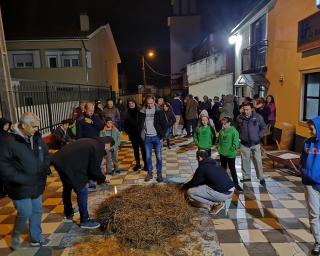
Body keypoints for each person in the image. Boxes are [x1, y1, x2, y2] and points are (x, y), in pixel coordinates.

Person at [0, 113, 51, 250]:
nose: (37, 129)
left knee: (37, 211)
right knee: (25, 212)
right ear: (23, 126)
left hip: (37, 182)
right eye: (34, 126)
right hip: (19, 186)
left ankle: (36, 237)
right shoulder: (8, 141)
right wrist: (21, 179)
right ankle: (15, 237)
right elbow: (4, 166)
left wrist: (44, 169)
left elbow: (45, 154)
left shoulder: (37, 137)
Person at [51, 136, 115, 229]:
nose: (108, 150)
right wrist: (103, 178)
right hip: (69, 165)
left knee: (67, 186)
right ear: (108, 144)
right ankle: (85, 220)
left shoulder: (92, 141)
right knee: (83, 190)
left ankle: (68, 212)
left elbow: (88, 164)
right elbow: (94, 169)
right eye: (110, 148)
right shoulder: (98, 147)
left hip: (59, 160)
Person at [182, 150, 235, 215]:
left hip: (223, 194)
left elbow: (194, 182)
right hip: (231, 191)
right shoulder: (215, 163)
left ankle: (215, 204)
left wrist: (183, 187)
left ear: (199, 157)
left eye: (196, 158)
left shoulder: (202, 167)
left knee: (190, 192)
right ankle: (215, 200)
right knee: (202, 186)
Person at [300, 117, 320, 256]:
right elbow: (302, 160)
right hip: (310, 184)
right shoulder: (306, 143)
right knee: (314, 214)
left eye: (312, 128)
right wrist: (303, 170)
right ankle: (318, 241)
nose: (309, 130)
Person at [137, 95, 167, 182]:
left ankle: (159, 174)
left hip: (157, 137)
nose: (150, 105)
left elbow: (164, 124)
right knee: (148, 157)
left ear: (154, 102)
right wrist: (141, 135)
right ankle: (149, 173)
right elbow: (139, 124)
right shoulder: (142, 111)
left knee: (159, 157)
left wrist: (162, 135)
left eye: (151, 103)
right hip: (147, 138)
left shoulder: (159, 111)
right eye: (148, 103)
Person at [236, 103, 266, 185]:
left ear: (252, 109)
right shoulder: (239, 117)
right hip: (244, 143)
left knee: (258, 161)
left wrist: (259, 136)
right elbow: (237, 128)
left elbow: (263, 127)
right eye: (244, 109)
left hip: (255, 144)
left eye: (248, 109)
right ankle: (246, 177)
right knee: (245, 161)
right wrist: (240, 137)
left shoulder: (258, 117)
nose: (246, 111)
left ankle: (261, 178)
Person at [217, 117, 242, 192]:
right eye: (222, 124)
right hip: (222, 153)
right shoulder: (221, 131)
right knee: (223, 169)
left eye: (225, 124)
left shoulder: (234, 131)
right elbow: (218, 141)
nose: (223, 126)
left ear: (229, 123)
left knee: (232, 169)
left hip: (230, 154)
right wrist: (219, 148)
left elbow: (236, 143)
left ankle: (236, 184)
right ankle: (222, 183)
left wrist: (231, 150)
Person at [123, 99, 147, 172]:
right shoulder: (126, 113)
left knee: (144, 150)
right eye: (129, 103)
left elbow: (144, 122)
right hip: (133, 134)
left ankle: (146, 165)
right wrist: (129, 132)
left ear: (135, 103)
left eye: (132, 103)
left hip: (141, 134)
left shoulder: (140, 111)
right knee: (136, 150)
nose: (131, 104)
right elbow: (125, 125)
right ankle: (138, 164)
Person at [0, 117, 12, 198]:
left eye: (8, 125)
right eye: (5, 124)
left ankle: (7, 189)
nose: (7, 126)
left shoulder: (7, 133)